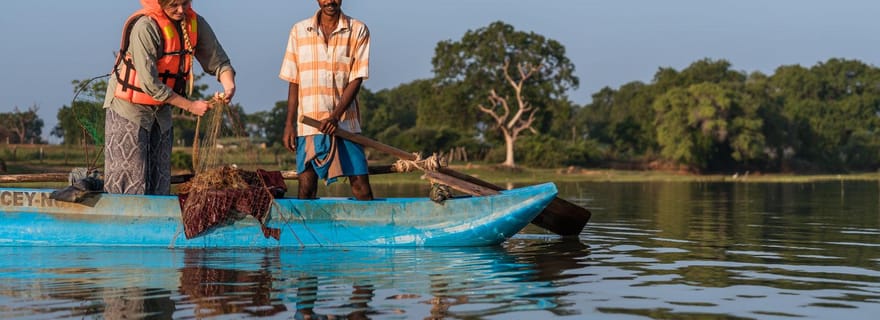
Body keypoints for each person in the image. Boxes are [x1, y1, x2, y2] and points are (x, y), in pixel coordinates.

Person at [103, 0, 236, 195]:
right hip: (129, 109)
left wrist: (229, 85)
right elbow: (150, 84)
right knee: (129, 178)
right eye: (174, 5)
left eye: (185, 3)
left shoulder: (195, 23)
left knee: (160, 179)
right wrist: (191, 106)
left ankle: (157, 223)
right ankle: (123, 223)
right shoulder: (145, 27)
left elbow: (219, 62)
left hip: (162, 109)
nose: (181, 10)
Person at [279, 0, 373, 200]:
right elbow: (294, 81)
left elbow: (356, 79)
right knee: (306, 186)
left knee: (360, 186)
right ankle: (305, 230)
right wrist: (289, 124)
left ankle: (373, 227)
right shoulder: (299, 31)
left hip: (345, 123)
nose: (330, 1)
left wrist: (335, 117)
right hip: (309, 124)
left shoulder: (358, 30)